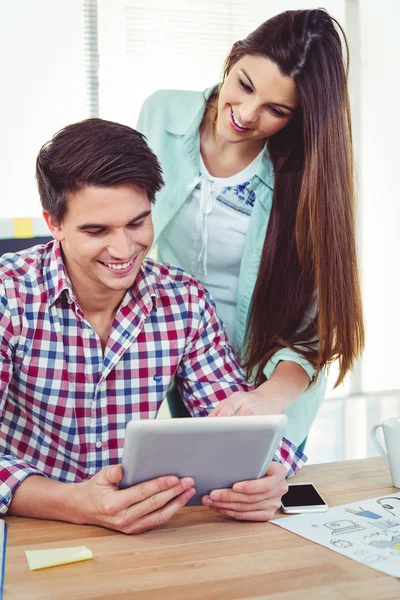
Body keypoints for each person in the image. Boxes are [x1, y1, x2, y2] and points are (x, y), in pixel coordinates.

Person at [0, 118, 306, 534]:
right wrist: (77, 502)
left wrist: (270, 475)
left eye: (136, 223)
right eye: (96, 230)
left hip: (143, 535)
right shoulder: (9, 296)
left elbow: (239, 425)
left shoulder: (183, 301)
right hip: (26, 534)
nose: (124, 250)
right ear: (54, 223)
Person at [136, 8, 365, 447]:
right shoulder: (160, 113)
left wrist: (267, 398)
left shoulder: (306, 179)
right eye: (243, 84)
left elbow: (311, 329)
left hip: (268, 374)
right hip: (179, 361)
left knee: (255, 494)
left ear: (297, 118)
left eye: (275, 110)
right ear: (234, 57)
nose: (244, 113)